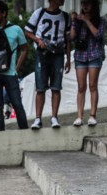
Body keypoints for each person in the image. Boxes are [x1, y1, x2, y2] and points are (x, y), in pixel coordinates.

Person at [0, 0, 29, 131]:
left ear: (4, 13)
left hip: (10, 73)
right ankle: (0, 135)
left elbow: (25, 49)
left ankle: (25, 133)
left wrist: (17, 68)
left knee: (17, 104)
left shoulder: (16, 29)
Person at [25, 0, 71, 130]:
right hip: (42, 53)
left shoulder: (65, 17)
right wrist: (38, 40)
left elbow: (67, 39)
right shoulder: (39, 13)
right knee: (40, 87)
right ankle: (38, 118)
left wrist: (68, 58)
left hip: (58, 53)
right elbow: (27, 31)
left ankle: (54, 117)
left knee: (56, 86)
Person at [70, 0, 107, 127]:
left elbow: (98, 35)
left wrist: (86, 21)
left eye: (88, 3)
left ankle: (92, 115)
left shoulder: (101, 20)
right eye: (83, 3)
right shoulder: (77, 20)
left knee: (92, 85)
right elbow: (72, 37)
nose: (85, 6)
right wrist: (74, 22)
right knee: (81, 87)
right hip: (80, 55)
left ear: (94, 5)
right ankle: (79, 116)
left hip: (94, 54)